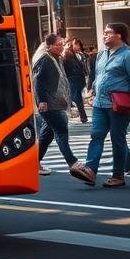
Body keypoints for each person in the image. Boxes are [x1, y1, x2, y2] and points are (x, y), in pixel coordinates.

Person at [70, 23, 130, 188]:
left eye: (108, 33)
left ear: (119, 35)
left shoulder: (128, 56)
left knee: (117, 139)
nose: (104, 35)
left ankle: (118, 175)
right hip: (99, 104)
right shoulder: (102, 54)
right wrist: (93, 91)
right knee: (96, 135)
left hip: (118, 104)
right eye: (104, 32)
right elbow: (99, 76)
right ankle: (90, 170)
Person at [32, 33, 79, 175]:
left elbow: (62, 81)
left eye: (62, 44)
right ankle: (73, 162)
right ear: (49, 46)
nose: (61, 47)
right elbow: (38, 81)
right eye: (58, 45)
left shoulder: (56, 58)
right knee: (61, 131)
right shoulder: (45, 60)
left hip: (56, 102)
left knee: (47, 135)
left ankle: (33, 163)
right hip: (49, 104)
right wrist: (42, 100)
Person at [63, 38, 90, 124]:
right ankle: (81, 116)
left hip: (75, 79)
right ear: (72, 44)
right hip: (73, 79)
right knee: (76, 97)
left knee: (76, 98)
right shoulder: (68, 53)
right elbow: (73, 67)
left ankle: (82, 116)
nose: (78, 47)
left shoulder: (73, 54)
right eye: (77, 45)